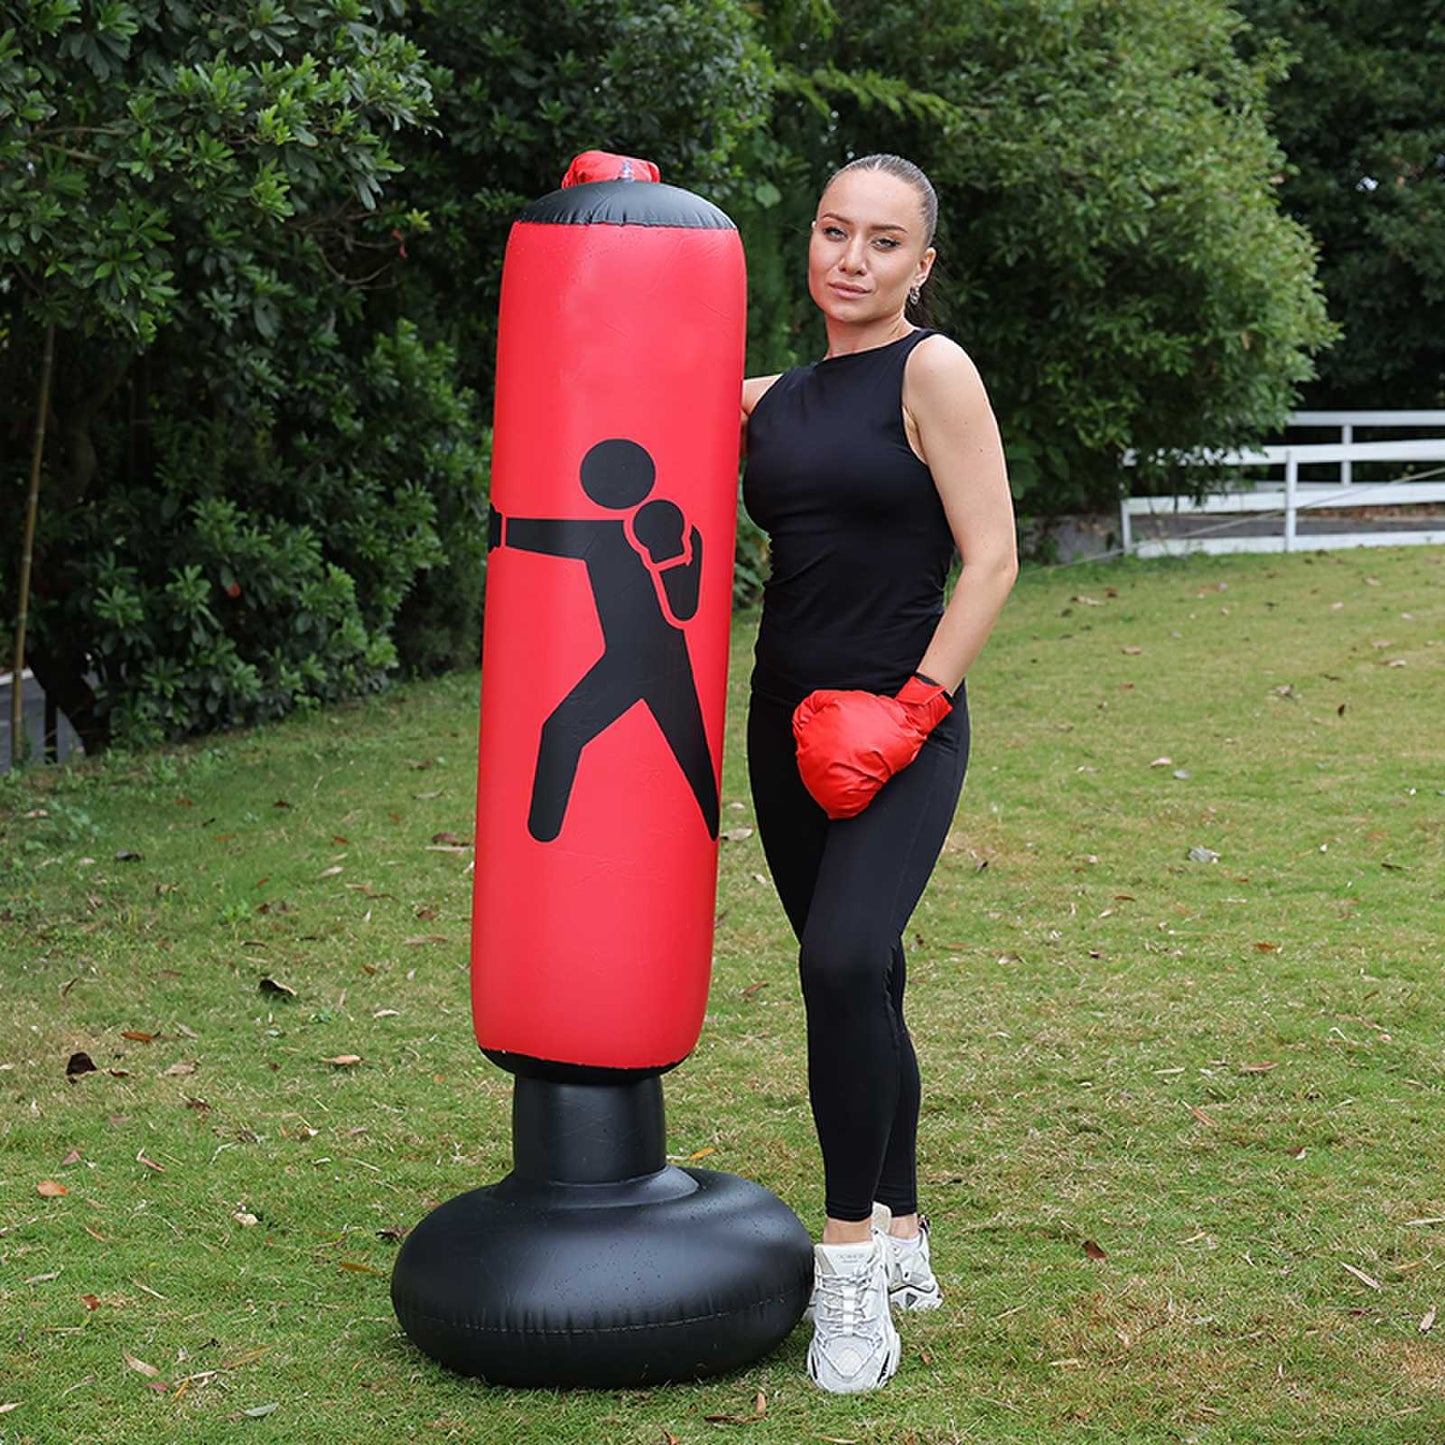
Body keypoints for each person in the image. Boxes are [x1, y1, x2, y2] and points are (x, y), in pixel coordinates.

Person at [740, 153, 1018, 1394]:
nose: (849, 259)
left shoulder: (931, 370)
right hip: (779, 724)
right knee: (863, 980)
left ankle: (846, 1265)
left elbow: (995, 556)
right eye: (831, 231)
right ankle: (903, 1221)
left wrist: (912, 710)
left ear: (920, 263)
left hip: (902, 723)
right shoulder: (764, 397)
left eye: (882, 241)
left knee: (840, 961)